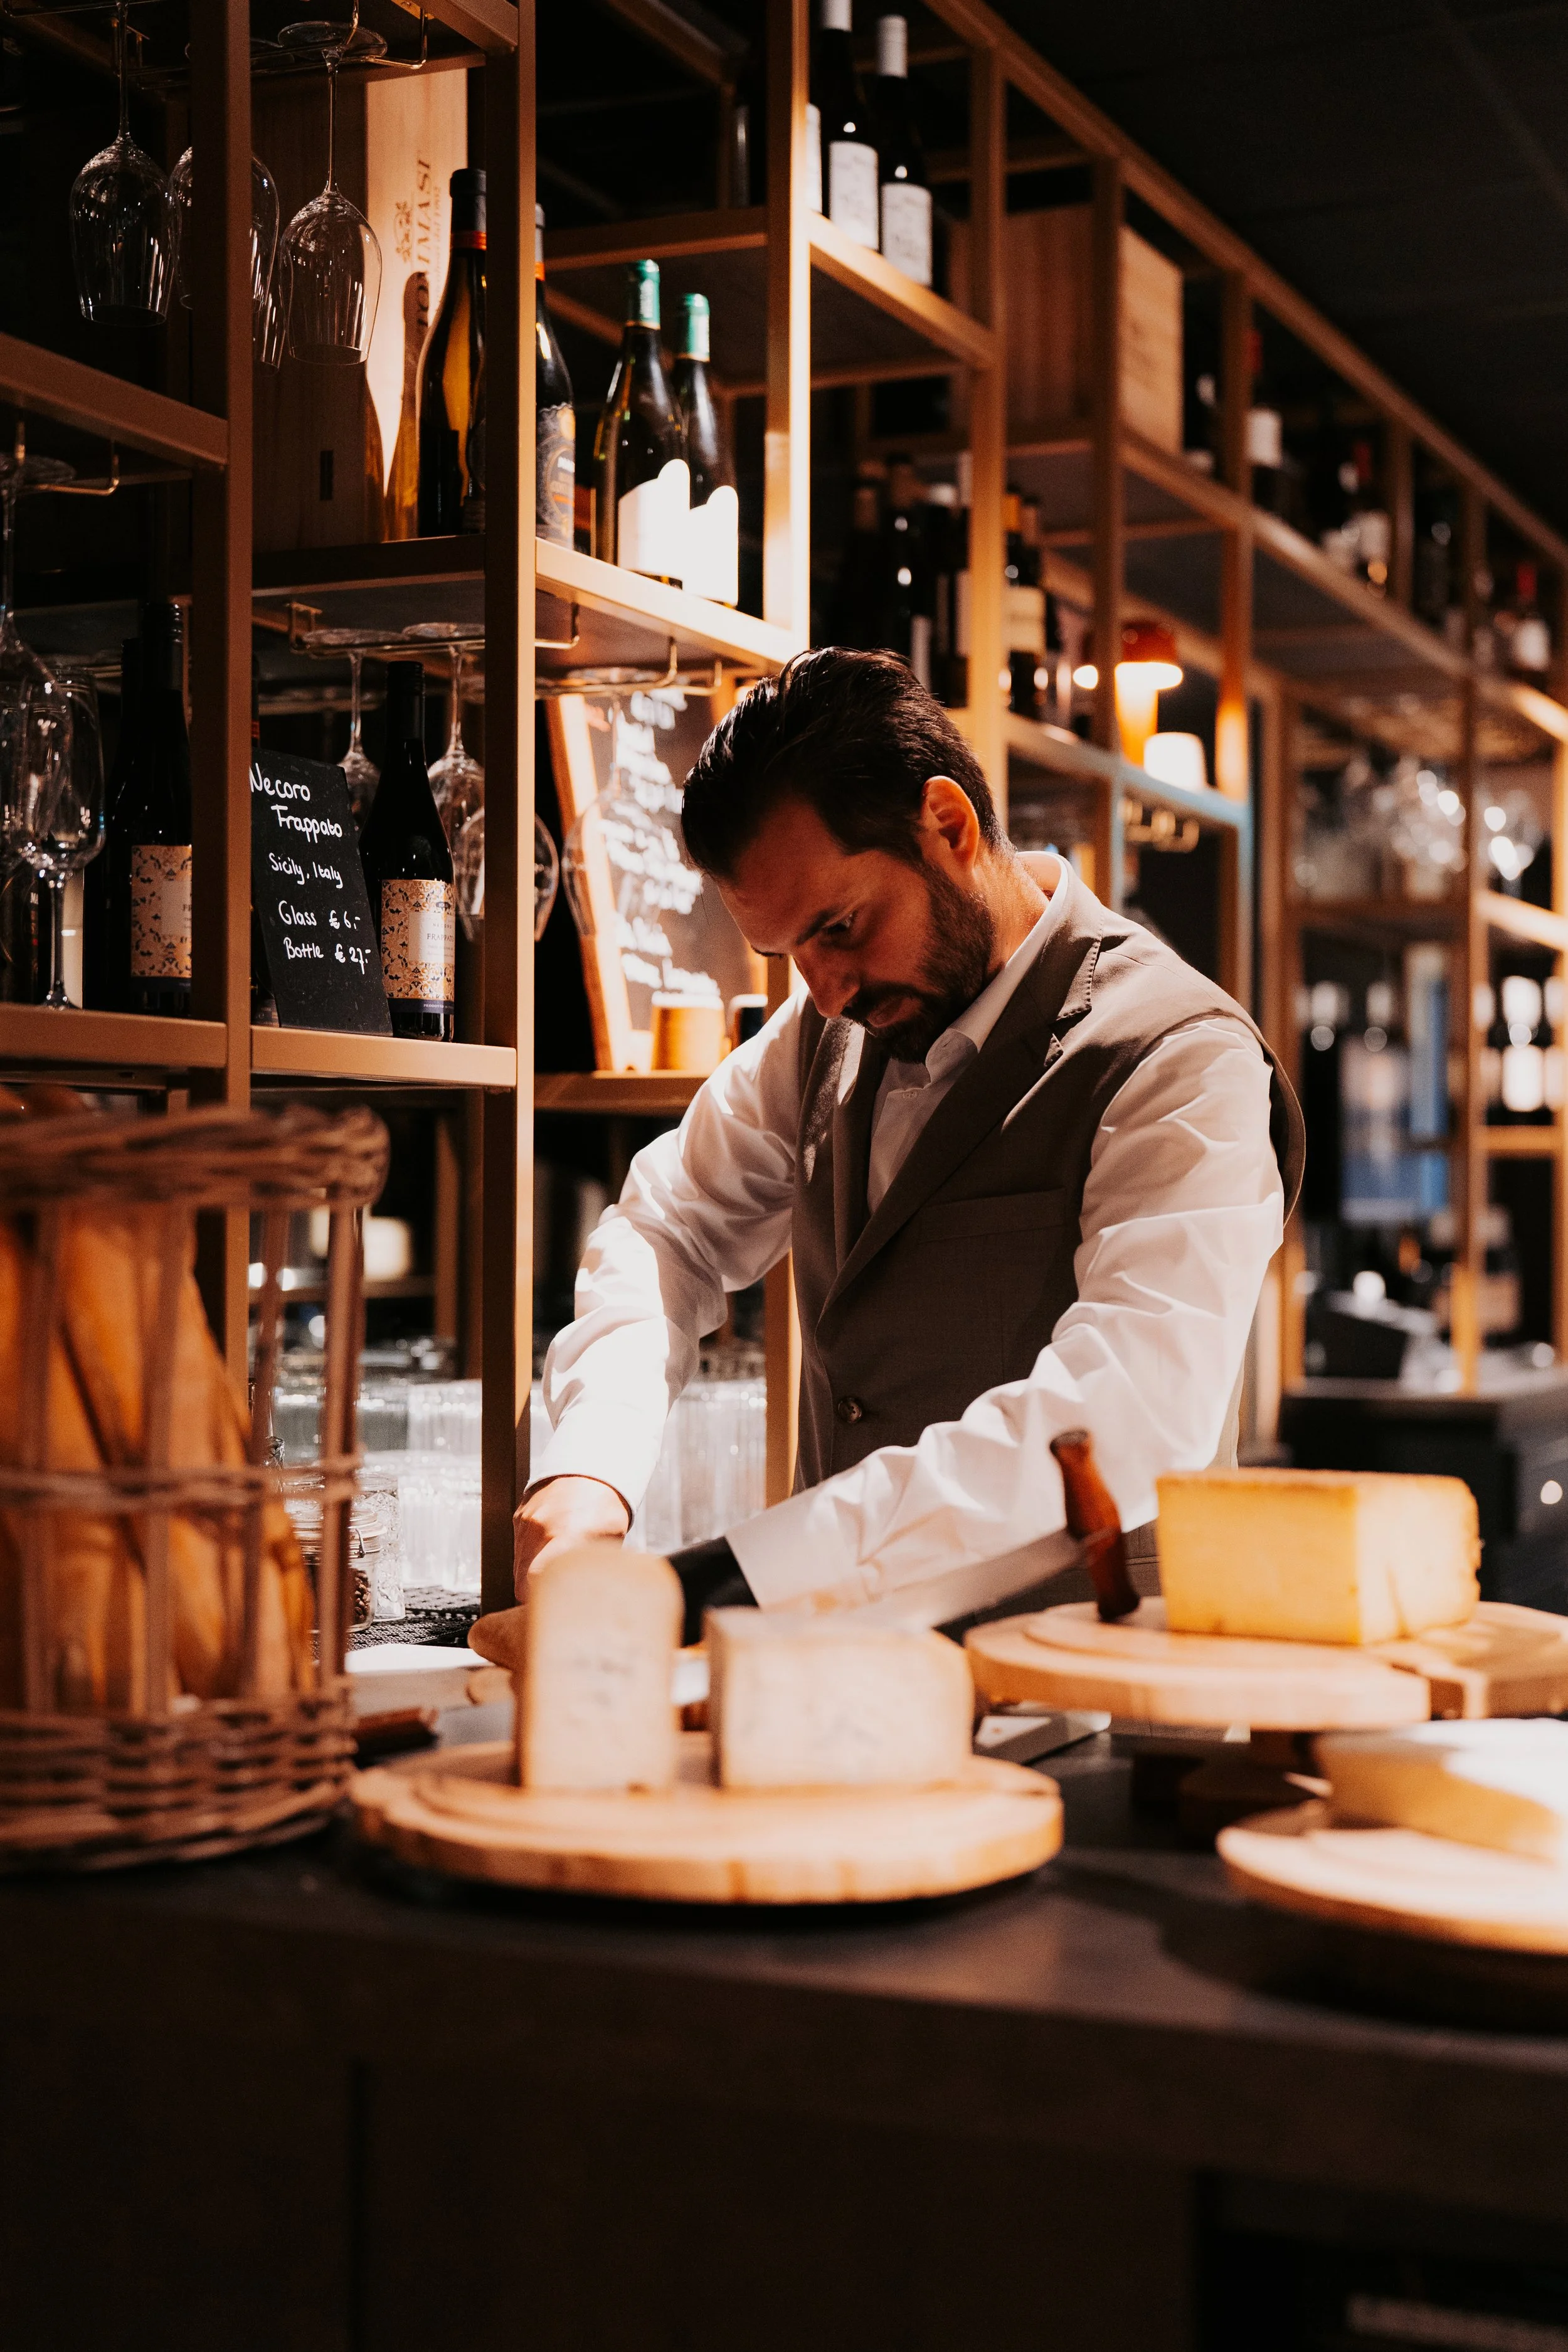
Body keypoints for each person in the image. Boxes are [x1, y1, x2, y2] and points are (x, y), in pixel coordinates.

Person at [516, 648, 1303, 1631]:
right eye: (789, 953)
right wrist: (589, 1466)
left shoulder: (1177, 1059)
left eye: (840, 927)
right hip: (829, 1700)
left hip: (1085, 1710)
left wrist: (736, 1580)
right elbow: (667, 1227)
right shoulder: (827, 1033)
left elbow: (1130, 1415)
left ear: (949, 825)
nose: (825, 987)